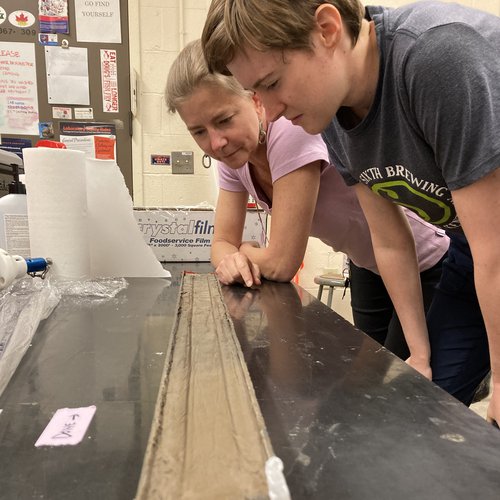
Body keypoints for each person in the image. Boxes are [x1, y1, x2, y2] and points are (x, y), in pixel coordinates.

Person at [200, 0, 500, 422]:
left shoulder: (437, 59)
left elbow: (497, 250)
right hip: (469, 250)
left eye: (272, 82)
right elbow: (390, 241)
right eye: (256, 93)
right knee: (420, 406)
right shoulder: (334, 114)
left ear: (326, 28)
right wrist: (418, 354)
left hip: (493, 247)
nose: (273, 109)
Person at [166, 39, 449, 359]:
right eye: (198, 132)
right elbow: (220, 244)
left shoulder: (288, 132)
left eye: (224, 120)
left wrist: (243, 251)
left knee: (405, 382)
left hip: (422, 260)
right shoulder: (233, 157)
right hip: (366, 264)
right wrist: (231, 257)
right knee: (371, 375)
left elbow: (283, 262)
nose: (216, 142)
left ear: (256, 100)